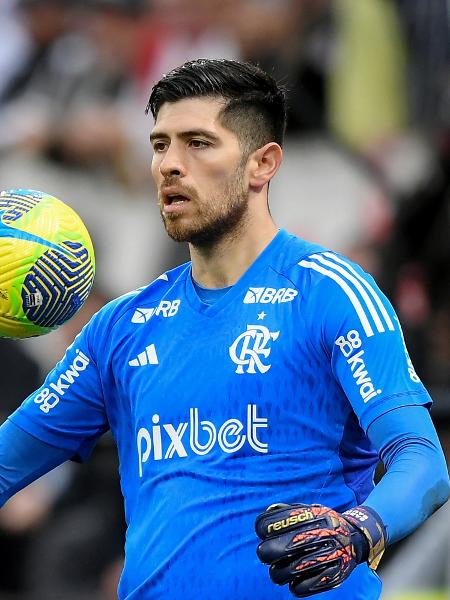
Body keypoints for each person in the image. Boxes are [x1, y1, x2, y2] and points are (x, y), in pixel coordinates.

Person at [0, 58, 449, 600]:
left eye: (198, 143)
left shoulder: (329, 291)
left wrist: (359, 529)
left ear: (263, 164)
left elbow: (422, 461)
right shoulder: (120, 327)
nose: (170, 164)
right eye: (160, 144)